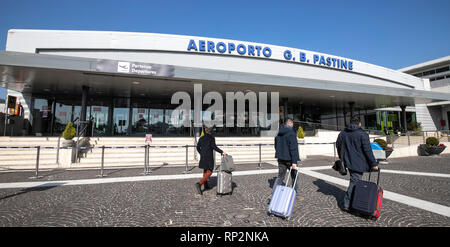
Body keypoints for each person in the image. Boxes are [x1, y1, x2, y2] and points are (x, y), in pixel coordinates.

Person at [336, 116, 379, 212]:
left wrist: (342, 158)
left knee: (354, 180)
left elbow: (338, 146)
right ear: (359, 123)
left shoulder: (342, 133)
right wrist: (373, 163)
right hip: (358, 162)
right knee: (354, 182)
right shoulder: (362, 134)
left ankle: (353, 200)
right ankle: (347, 204)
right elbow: (368, 150)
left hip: (347, 161)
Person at [271, 118, 303, 201]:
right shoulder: (291, 133)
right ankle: (295, 195)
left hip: (281, 158)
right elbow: (293, 148)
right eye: (292, 124)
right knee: (294, 176)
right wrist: (294, 162)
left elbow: (276, 145)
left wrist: (280, 154)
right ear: (290, 123)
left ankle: (273, 194)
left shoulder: (278, 132)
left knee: (280, 177)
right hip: (290, 159)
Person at [195, 127, 226, 195]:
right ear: (211, 131)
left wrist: (201, 153)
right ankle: (199, 183)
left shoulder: (201, 138)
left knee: (205, 170)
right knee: (210, 171)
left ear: (205, 131)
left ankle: (206, 185)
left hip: (203, 156)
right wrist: (222, 152)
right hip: (209, 156)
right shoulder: (211, 138)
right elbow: (214, 147)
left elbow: (197, 147)